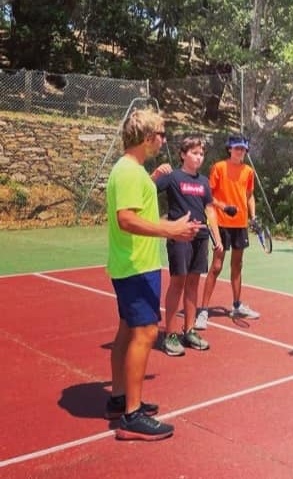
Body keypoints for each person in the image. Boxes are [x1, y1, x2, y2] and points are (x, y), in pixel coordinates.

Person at [105, 108, 203, 441]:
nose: (163, 139)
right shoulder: (130, 172)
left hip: (128, 265)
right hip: (136, 267)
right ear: (147, 138)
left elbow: (134, 208)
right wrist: (171, 231)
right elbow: (127, 219)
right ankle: (131, 417)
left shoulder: (129, 170)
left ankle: (121, 398)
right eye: (161, 134)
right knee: (145, 334)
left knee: (126, 332)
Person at [155, 136, 222, 356]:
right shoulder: (173, 177)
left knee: (193, 284)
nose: (198, 157)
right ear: (183, 154)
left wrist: (216, 236)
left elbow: (210, 209)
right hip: (180, 236)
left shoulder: (203, 182)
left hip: (201, 237)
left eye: (201, 154)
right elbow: (147, 190)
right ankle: (170, 334)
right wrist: (155, 174)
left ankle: (189, 330)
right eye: (194, 153)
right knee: (178, 283)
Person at [195, 134, 259, 328]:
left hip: (240, 225)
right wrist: (224, 207)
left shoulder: (248, 171)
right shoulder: (219, 168)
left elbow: (249, 196)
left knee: (237, 266)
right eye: (236, 148)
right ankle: (203, 311)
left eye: (243, 149)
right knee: (216, 266)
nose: (240, 152)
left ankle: (237, 305)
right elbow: (209, 197)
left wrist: (253, 217)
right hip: (221, 224)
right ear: (230, 149)